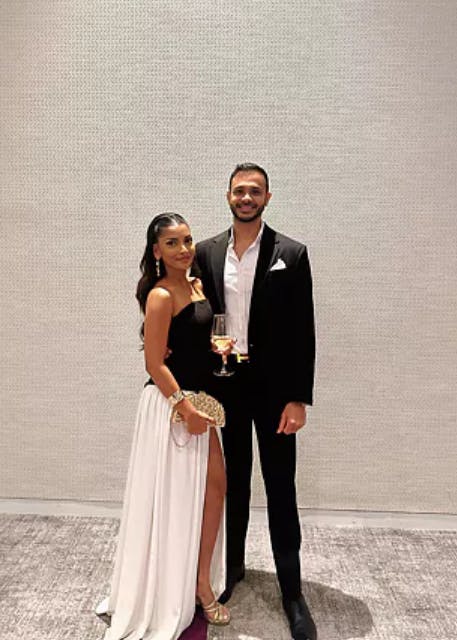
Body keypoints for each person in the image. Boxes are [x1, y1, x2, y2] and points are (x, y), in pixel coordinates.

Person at [195, 164, 317, 640]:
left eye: (255, 191)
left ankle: (292, 592)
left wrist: (298, 398)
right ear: (227, 195)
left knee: (280, 486)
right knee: (233, 484)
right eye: (239, 190)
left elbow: (303, 331)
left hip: (274, 391)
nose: (246, 197)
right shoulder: (205, 252)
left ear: (268, 198)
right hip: (225, 384)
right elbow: (195, 317)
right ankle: (233, 568)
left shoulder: (292, 253)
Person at [96, 213, 230, 640]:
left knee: (215, 488)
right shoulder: (159, 295)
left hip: (200, 402)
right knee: (170, 498)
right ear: (156, 251)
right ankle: (169, 587)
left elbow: (192, 340)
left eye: (187, 240)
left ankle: (200, 580)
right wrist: (184, 408)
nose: (183, 249)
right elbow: (154, 363)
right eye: (172, 243)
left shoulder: (197, 286)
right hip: (171, 405)